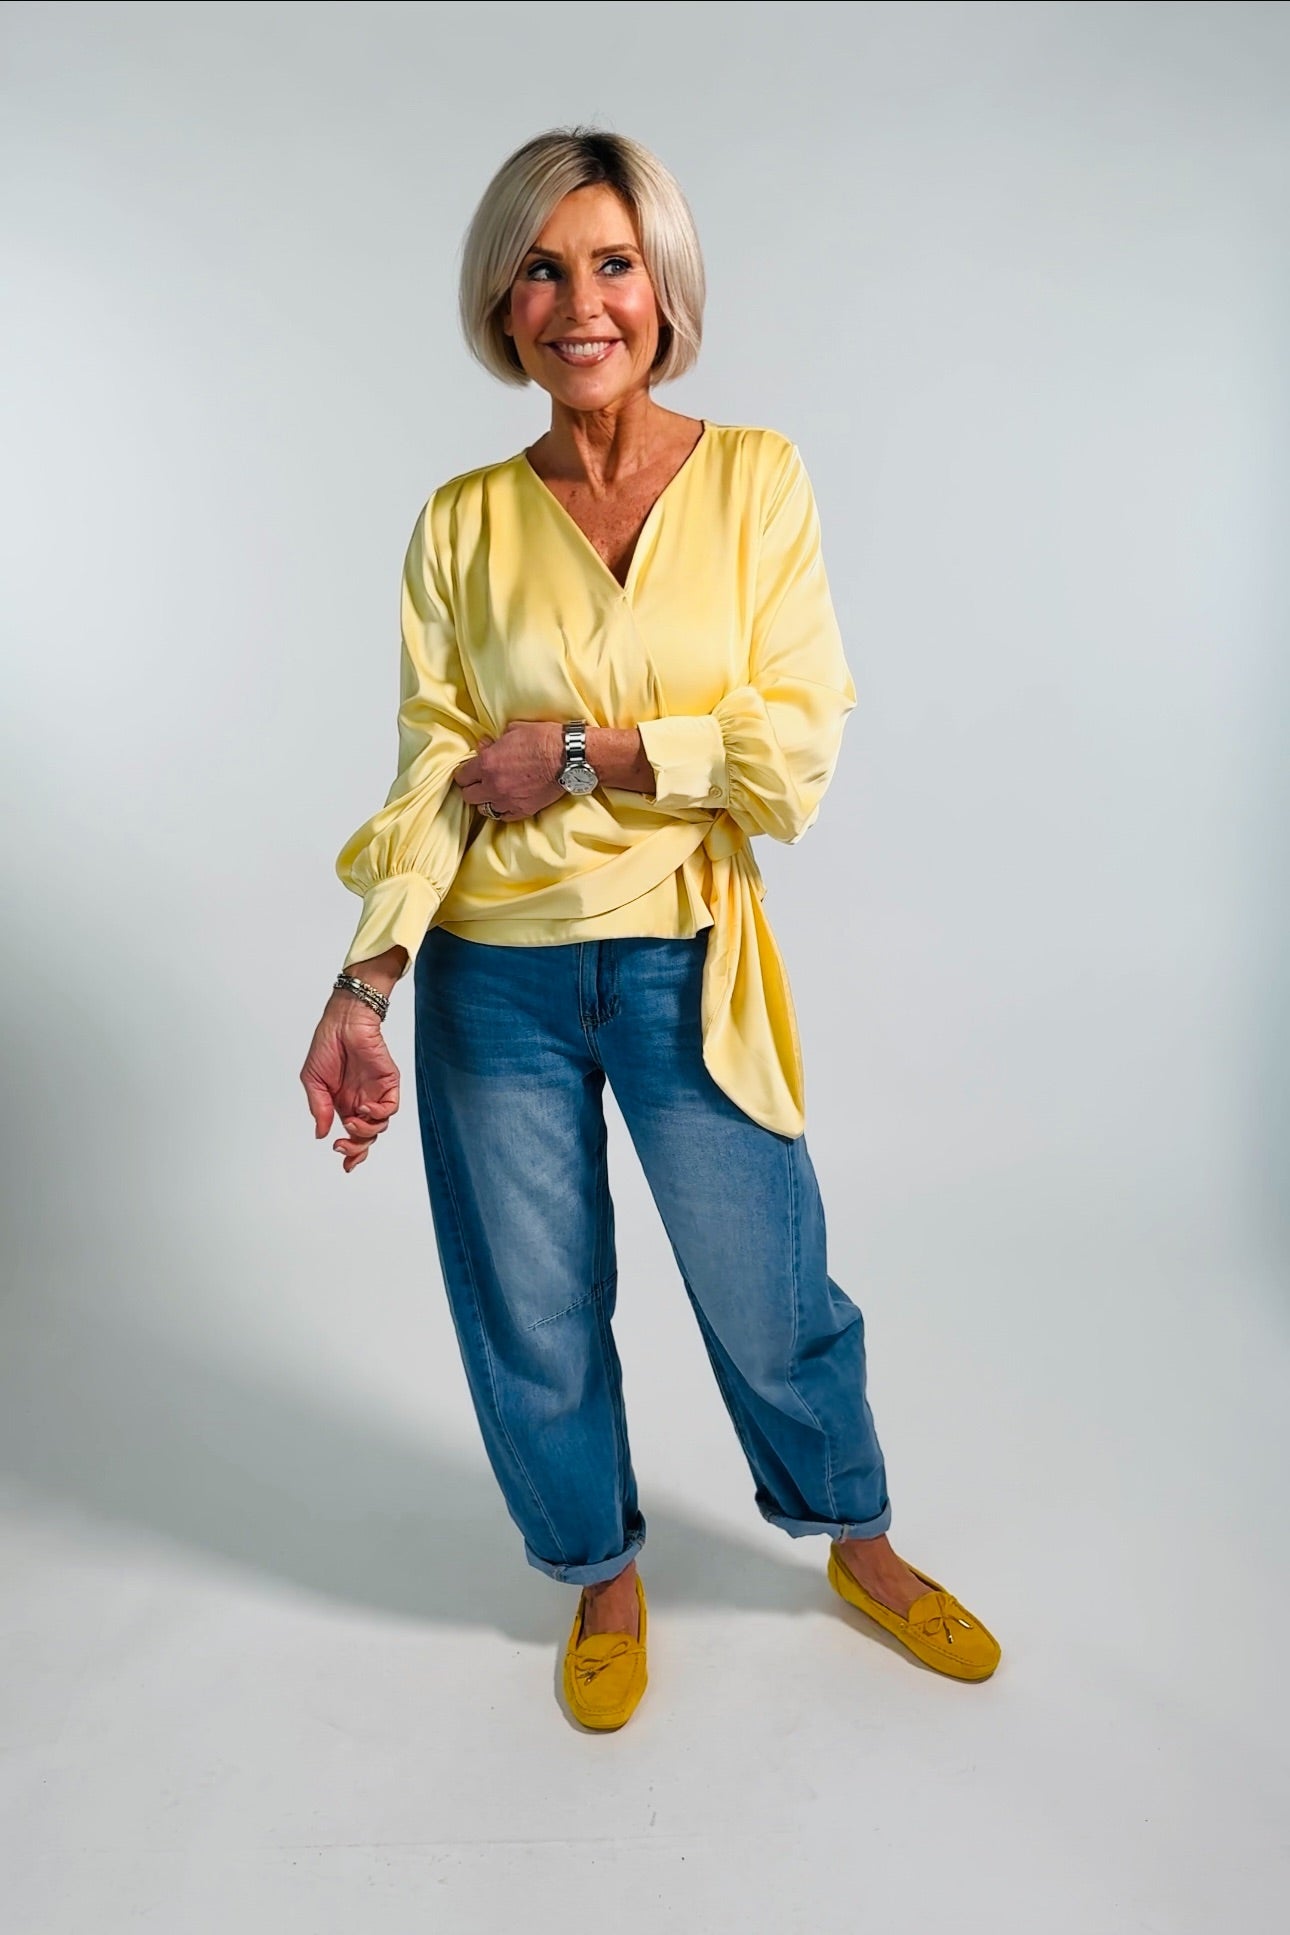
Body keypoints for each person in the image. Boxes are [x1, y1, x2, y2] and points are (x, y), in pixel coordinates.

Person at [300, 126, 1000, 1731]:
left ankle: (859, 1541)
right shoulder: (462, 524)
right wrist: (363, 985)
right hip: (495, 977)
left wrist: (582, 752)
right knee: (533, 1312)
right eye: (540, 271)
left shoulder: (755, 480)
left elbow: (790, 755)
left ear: (662, 282)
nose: (580, 304)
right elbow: (433, 776)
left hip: (689, 957)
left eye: (611, 263)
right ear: (503, 302)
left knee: (771, 1291)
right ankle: (599, 1570)